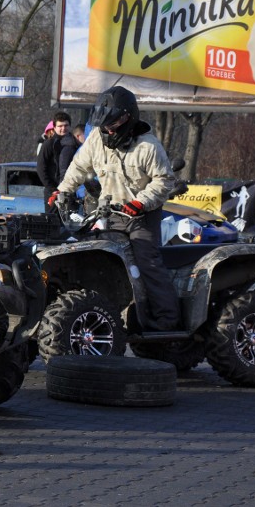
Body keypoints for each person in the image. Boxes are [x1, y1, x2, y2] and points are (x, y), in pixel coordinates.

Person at [56, 85, 180, 332]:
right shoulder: (96, 140)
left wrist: (141, 202)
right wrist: (63, 191)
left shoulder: (148, 147)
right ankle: (110, 315)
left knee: (146, 262)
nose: (108, 130)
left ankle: (166, 321)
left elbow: (164, 181)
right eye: (104, 126)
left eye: (112, 125)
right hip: (110, 214)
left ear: (127, 118)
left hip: (141, 215)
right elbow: (79, 167)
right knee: (105, 263)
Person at [37, 112, 79, 208]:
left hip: (70, 190)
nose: (63, 128)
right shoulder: (48, 144)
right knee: (53, 221)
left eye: (66, 125)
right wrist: (52, 189)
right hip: (53, 192)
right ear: (54, 128)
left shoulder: (74, 143)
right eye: (60, 126)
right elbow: (41, 168)